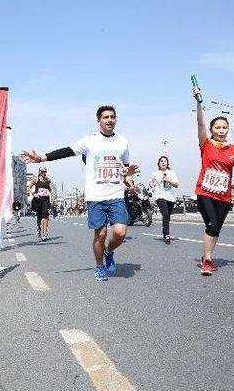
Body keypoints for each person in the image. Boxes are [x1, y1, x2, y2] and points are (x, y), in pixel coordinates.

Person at [22, 105, 139, 281]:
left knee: (121, 232)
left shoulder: (123, 142)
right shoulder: (89, 141)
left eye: (112, 117)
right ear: (98, 121)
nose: (109, 120)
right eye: (105, 117)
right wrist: (41, 158)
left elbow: (125, 169)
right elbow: (66, 151)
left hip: (116, 193)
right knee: (100, 235)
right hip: (96, 196)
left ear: (116, 120)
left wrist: (130, 182)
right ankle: (100, 267)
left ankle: (109, 251)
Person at [192, 86, 234, 276]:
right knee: (212, 225)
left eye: (225, 127)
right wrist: (199, 102)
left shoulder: (233, 149)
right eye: (218, 127)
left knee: (217, 230)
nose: (222, 130)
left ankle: (207, 255)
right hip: (205, 192)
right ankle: (207, 261)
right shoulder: (206, 144)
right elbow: (200, 124)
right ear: (212, 130)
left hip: (224, 196)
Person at [149, 156, 179, 244]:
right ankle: (167, 234)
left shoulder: (172, 173)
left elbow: (177, 184)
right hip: (160, 196)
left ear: (167, 163)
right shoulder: (155, 174)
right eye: (161, 161)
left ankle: (164, 229)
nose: (163, 162)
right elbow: (150, 182)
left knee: (167, 216)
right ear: (158, 163)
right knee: (165, 214)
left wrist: (169, 180)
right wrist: (153, 188)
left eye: (165, 161)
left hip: (170, 197)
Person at [28, 167, 52, 240]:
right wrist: (33, 193)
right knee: (39, 217)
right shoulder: (36, 179)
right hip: (38, 200)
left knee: (45, 217)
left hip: (45, 200)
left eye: (45, 172)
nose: (44, 173)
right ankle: (39, 229)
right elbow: (29, 187)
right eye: (42, 172)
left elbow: (50, 189)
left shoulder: (47, 180)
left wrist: (50, 193)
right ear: (39, 172)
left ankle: (45, 233)